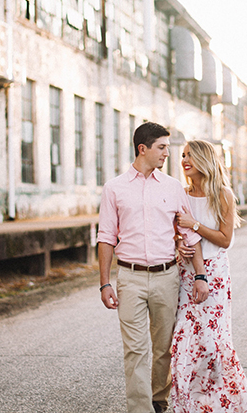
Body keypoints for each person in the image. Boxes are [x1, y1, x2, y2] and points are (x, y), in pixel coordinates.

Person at [97, 122, 203, 413]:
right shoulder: (114, 189)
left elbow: (189, 235)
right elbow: (105, 237)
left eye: (168, 147)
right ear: (142, 149)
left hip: (167, 277)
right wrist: (105, 283)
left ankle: (158, 400)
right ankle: (141, 409)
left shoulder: (172, 188)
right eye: (162, 147)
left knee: (163, 349)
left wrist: (200, 275)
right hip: (129, 278)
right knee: (135, 350)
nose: (168, 154)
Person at [172, 139, 247, 413]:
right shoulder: (181, 195)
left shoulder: (222, 194)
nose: (184, 160)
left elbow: (224, 239)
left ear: (204, 159)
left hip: (216, 274)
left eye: (190, 155)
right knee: (184, 342)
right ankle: (187, 405)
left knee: (214, 343)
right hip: (188, 274)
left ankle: (225, 403)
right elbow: (177, 234)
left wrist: (195, 225)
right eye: (183, 155)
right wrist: (178, 243)